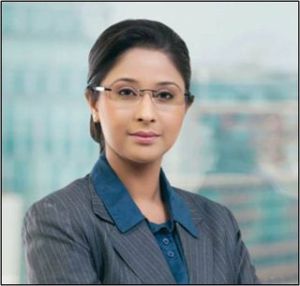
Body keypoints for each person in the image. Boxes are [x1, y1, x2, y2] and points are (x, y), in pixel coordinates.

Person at [22, 19, 259, 284]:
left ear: (186, 107)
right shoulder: (59, 218)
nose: (146, 113)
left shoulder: (219, 222)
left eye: (165, 96)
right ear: (94, 104)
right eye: (126, 92)